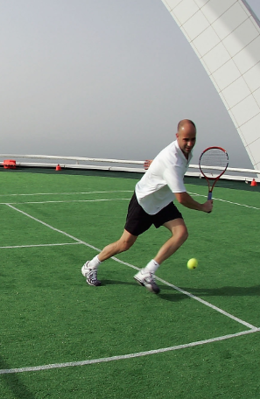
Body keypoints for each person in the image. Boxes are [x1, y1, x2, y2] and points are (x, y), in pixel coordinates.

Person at [81, 119, 213, 294]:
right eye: (185, 139)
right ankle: (90, 266)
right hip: (144, 201)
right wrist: (203, 207)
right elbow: (182, 198)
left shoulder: (184, 152)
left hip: (162, 202)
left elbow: (167, 166)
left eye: (193, 139)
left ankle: (148, 272)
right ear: (177, 137)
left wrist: (156, 166)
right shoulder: (172, 161)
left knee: (181, 233)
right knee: (125, 243)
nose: (189, 144)